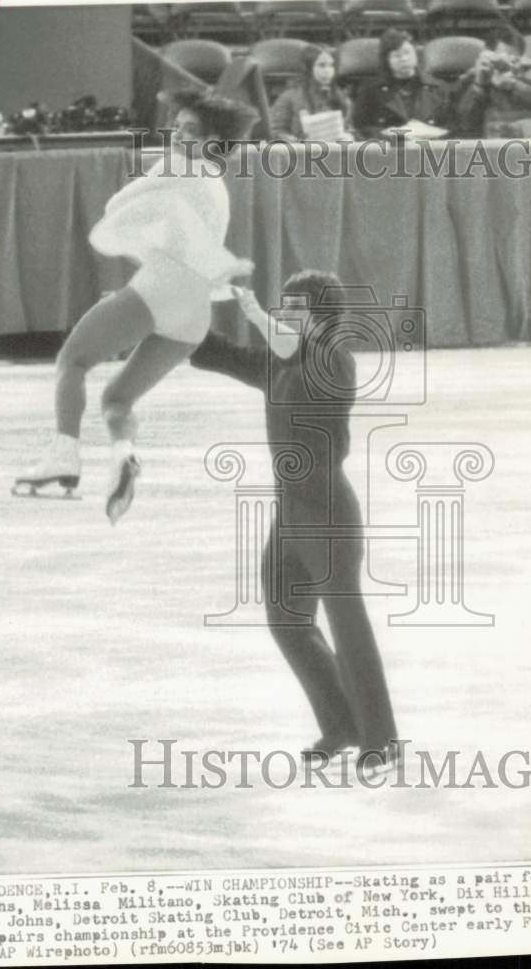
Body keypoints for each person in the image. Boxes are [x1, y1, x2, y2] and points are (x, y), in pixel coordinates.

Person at [14, 89, 258, 522]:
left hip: (162, 289)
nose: (179, 136)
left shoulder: (179, 168)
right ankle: (123, 453)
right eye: (177, 127)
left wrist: (138, 297)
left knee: (72, 360)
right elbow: (180, 242)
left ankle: (64, 456)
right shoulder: (216, 185)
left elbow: (115, 210)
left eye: (191, 131)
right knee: (117, 399)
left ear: (214, 141)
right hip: (193, 312)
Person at [190, 272, 399, 771]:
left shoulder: (335, 360)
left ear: (321, 315)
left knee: (348, 629)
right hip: (289, 516)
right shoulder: (279, 362)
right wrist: (167, 315)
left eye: (294, 307)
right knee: (287, 620)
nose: (283, 313)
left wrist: (257, 316)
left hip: (328, 511)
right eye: (280, 306)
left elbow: (303, 364)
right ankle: (341, 725)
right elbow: (218, 353)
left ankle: (382, 740)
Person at [454, 23, 531, 138]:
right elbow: (463, 123)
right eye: (501, 58)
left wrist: (514, 85)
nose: (508, 64)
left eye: (514, 59)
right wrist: (478, 85)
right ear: (487, 54)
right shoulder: (474, 76)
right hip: (494, 144)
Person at [352, 28, 451, 138]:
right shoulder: (371, 89)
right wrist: (386, 134)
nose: (404, 59)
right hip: (389, 150)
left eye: (407, 53)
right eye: (397, 55)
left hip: (429, 149)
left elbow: (450, 125)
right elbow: (361, 127)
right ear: (387, 60)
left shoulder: (438, 87)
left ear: (416, 55)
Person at [270, 45, 353, 142]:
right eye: (321, 65)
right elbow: (276, 132)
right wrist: (299, 142)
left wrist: (349, 136)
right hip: (300, 153)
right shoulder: (289, 97)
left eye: (331, 65)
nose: (327, 71)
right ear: (309, 68)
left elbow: (349, 129)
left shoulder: (341, 97)